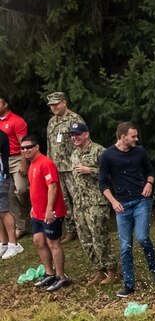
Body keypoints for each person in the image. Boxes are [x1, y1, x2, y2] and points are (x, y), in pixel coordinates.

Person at [97, 121, 155, 297]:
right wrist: (112, 201)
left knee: (142, 238)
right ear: (122, 137)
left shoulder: (139, 152)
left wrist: (149, 183)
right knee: (125, 246)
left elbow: (150, 171)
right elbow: (103, 182)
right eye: (133, 136)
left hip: (141, 201)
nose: (136, 139)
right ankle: (129, 284)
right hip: (121, 205)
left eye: (136, 136)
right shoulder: (107, 155)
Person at [63, 122, 117, 283]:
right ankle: (100, 269)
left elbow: (113, 173)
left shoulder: (99, 151)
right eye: (72, 135)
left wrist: (91, 170)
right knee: (85, 239)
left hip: (97, 201)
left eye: (77, 134)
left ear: (86, 134)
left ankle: (112, 270)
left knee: (99, 237)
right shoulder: (74, 155)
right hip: (80, 203)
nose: (74, 138)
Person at [20, 135, 68, 291]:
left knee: (53, 243)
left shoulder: (46, 163)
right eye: (23, 148)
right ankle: (49, 273)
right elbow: (36, 189)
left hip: (51, 212)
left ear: (37, 147)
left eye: (28, 147)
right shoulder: (31, 164)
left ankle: (60, 276)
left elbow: (52, 187)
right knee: (38, 240)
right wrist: (34, 207)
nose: (25, 150)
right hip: (38, 213)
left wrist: (49, 209)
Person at [44, 91, 83, 230]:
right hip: (56, 168)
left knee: (77, 198)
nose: (53, 108)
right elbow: (50, 145)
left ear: (64, 102)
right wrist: (48, 164)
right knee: (64, 201)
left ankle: (83, 227)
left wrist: (80, 162)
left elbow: (82, 141)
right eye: (51, 105)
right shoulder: (52, 121)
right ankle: (71, 229)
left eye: (56, 104)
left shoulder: (74, 119)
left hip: (72, 167)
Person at [0, 93, 30, 238]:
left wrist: (24, 163)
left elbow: (23, 144)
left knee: (22, 190)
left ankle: (31, 214)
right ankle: (21, 226)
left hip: (17, 158)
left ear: (5, 105)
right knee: (8, 194)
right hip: (3, 160)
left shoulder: (17, 121)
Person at [0, 128, 16, 259]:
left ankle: (13, 244)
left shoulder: (2, 135)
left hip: (1, 177)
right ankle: (3, 243)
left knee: (4, 211)